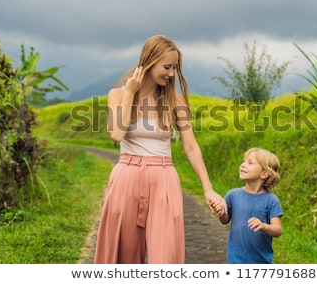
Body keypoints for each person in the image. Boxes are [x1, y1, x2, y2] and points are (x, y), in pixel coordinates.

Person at [94, 35, 224, 264]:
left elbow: (191, 147)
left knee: (165, 256)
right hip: (126, 177)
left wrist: (208, 188)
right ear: (150, 62)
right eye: (167, 67)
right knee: (123, 257)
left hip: (163, 179)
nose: (172, 73)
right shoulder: (117, 94)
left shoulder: (176, 101)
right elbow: (116, 134)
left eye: (175, 67)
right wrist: (130, 93)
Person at [212, 147, 283, 264]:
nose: (243, 165)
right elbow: (225, 220)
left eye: (250, 163)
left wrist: (263, 226)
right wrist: (221, 213)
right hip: (235, 261)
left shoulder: (271, 200)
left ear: (264, 173)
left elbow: (277, 230)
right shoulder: (233, 195)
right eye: (243, 161)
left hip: (262, 262)